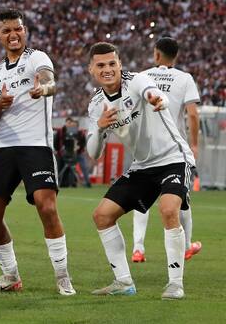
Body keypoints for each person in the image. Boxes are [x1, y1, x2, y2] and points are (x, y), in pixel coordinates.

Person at [86, 42, 194, 300]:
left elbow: (153, 93)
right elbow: (93, 153)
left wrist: (158, 99)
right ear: (92, 69)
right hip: (142, 167)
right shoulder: (97, 105)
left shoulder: (137, 80)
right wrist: (100, 128)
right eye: (101, 65)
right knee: (102, 216)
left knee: (169, 209)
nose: (108, 69)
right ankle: (123, 282)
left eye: (112, 63)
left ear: (120, 64)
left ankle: (175, 284)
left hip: (174, 158)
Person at [0, 9, 75, 295]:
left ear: (25, 31)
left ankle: (62, 276)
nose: (13, 35)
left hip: (37, 145)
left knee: (46, 207)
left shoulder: (37, 57)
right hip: (5, 147)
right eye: (7, 30)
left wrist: (42, 90)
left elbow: (50, 81)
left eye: (18, 29)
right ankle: (10, 275)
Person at [132, 37, 202, 263]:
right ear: (176, 56)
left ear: (156, 54)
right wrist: (194, 144)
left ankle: (138, 249)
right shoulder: (185, 78)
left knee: (141, 199)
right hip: (173, 149)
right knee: (181, 197)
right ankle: (186, 247)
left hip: (146, 147)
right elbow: (192, 114)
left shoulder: (142, 77)